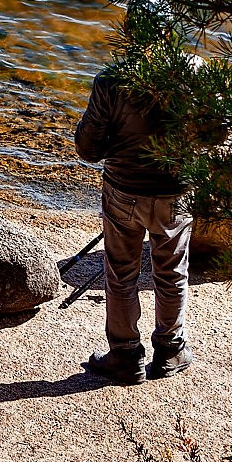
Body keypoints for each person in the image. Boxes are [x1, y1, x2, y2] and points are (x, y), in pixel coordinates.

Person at [74, 68, 193, 383]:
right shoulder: (195, 74)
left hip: (124, 190)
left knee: (121, 273)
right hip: (175, 193)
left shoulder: (111, 81)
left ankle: (125, 356)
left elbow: (88, 149)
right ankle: (170, 352)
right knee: (172, 273)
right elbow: (217, 134)